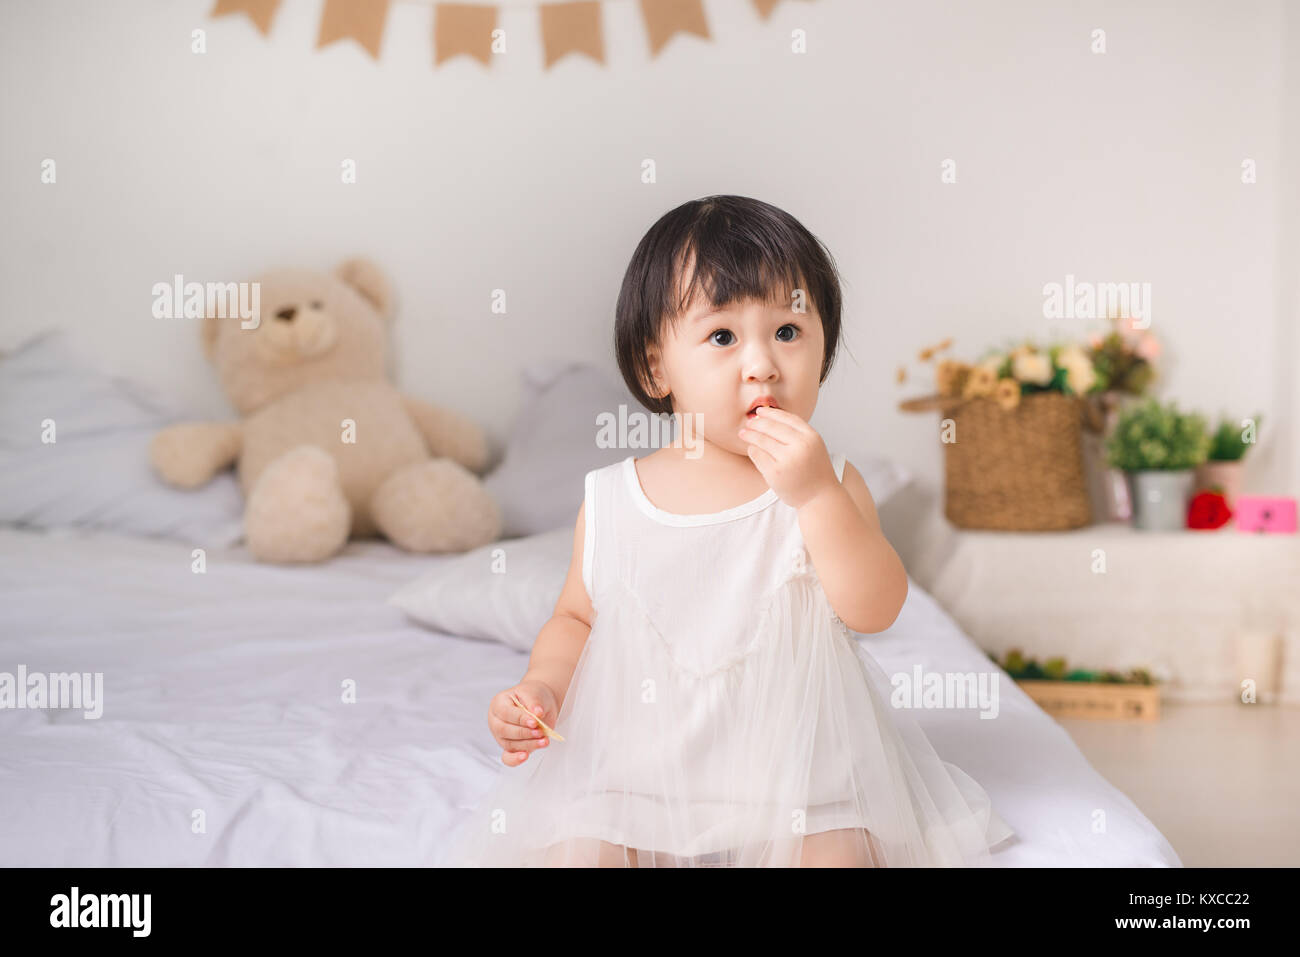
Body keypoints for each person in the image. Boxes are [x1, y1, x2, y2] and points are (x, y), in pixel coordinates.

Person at [440, 194, 1015, 866]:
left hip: (806, 781)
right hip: (639, 781)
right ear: (657, 367)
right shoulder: (615, 500)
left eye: (789, 331)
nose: (763, 363)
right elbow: (575, 619)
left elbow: (875, 606)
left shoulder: (829, 482)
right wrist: (543, 686)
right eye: (722, 337)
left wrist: (816, 497)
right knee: (579, 851)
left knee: (841, 857)